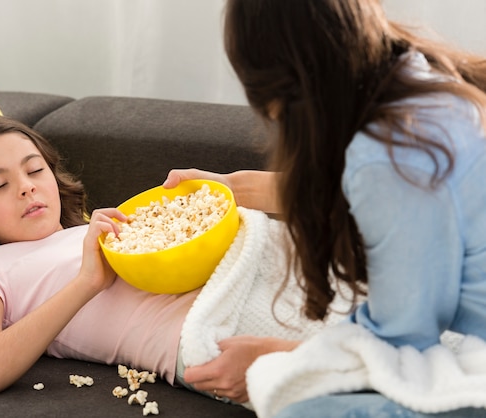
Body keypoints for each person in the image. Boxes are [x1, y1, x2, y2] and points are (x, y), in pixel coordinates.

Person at [163, 0, 486, 416]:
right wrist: (228, 189)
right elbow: (346, 196)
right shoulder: (419, 77)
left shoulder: (391, 156)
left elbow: (403, 337)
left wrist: (275, 359)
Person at [0, 103, 315, 402]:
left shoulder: (95, 229)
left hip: (261, 270)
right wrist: (87, 282)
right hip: (210, 327)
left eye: (35, 170)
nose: (26, 187)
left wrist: (225, 188)